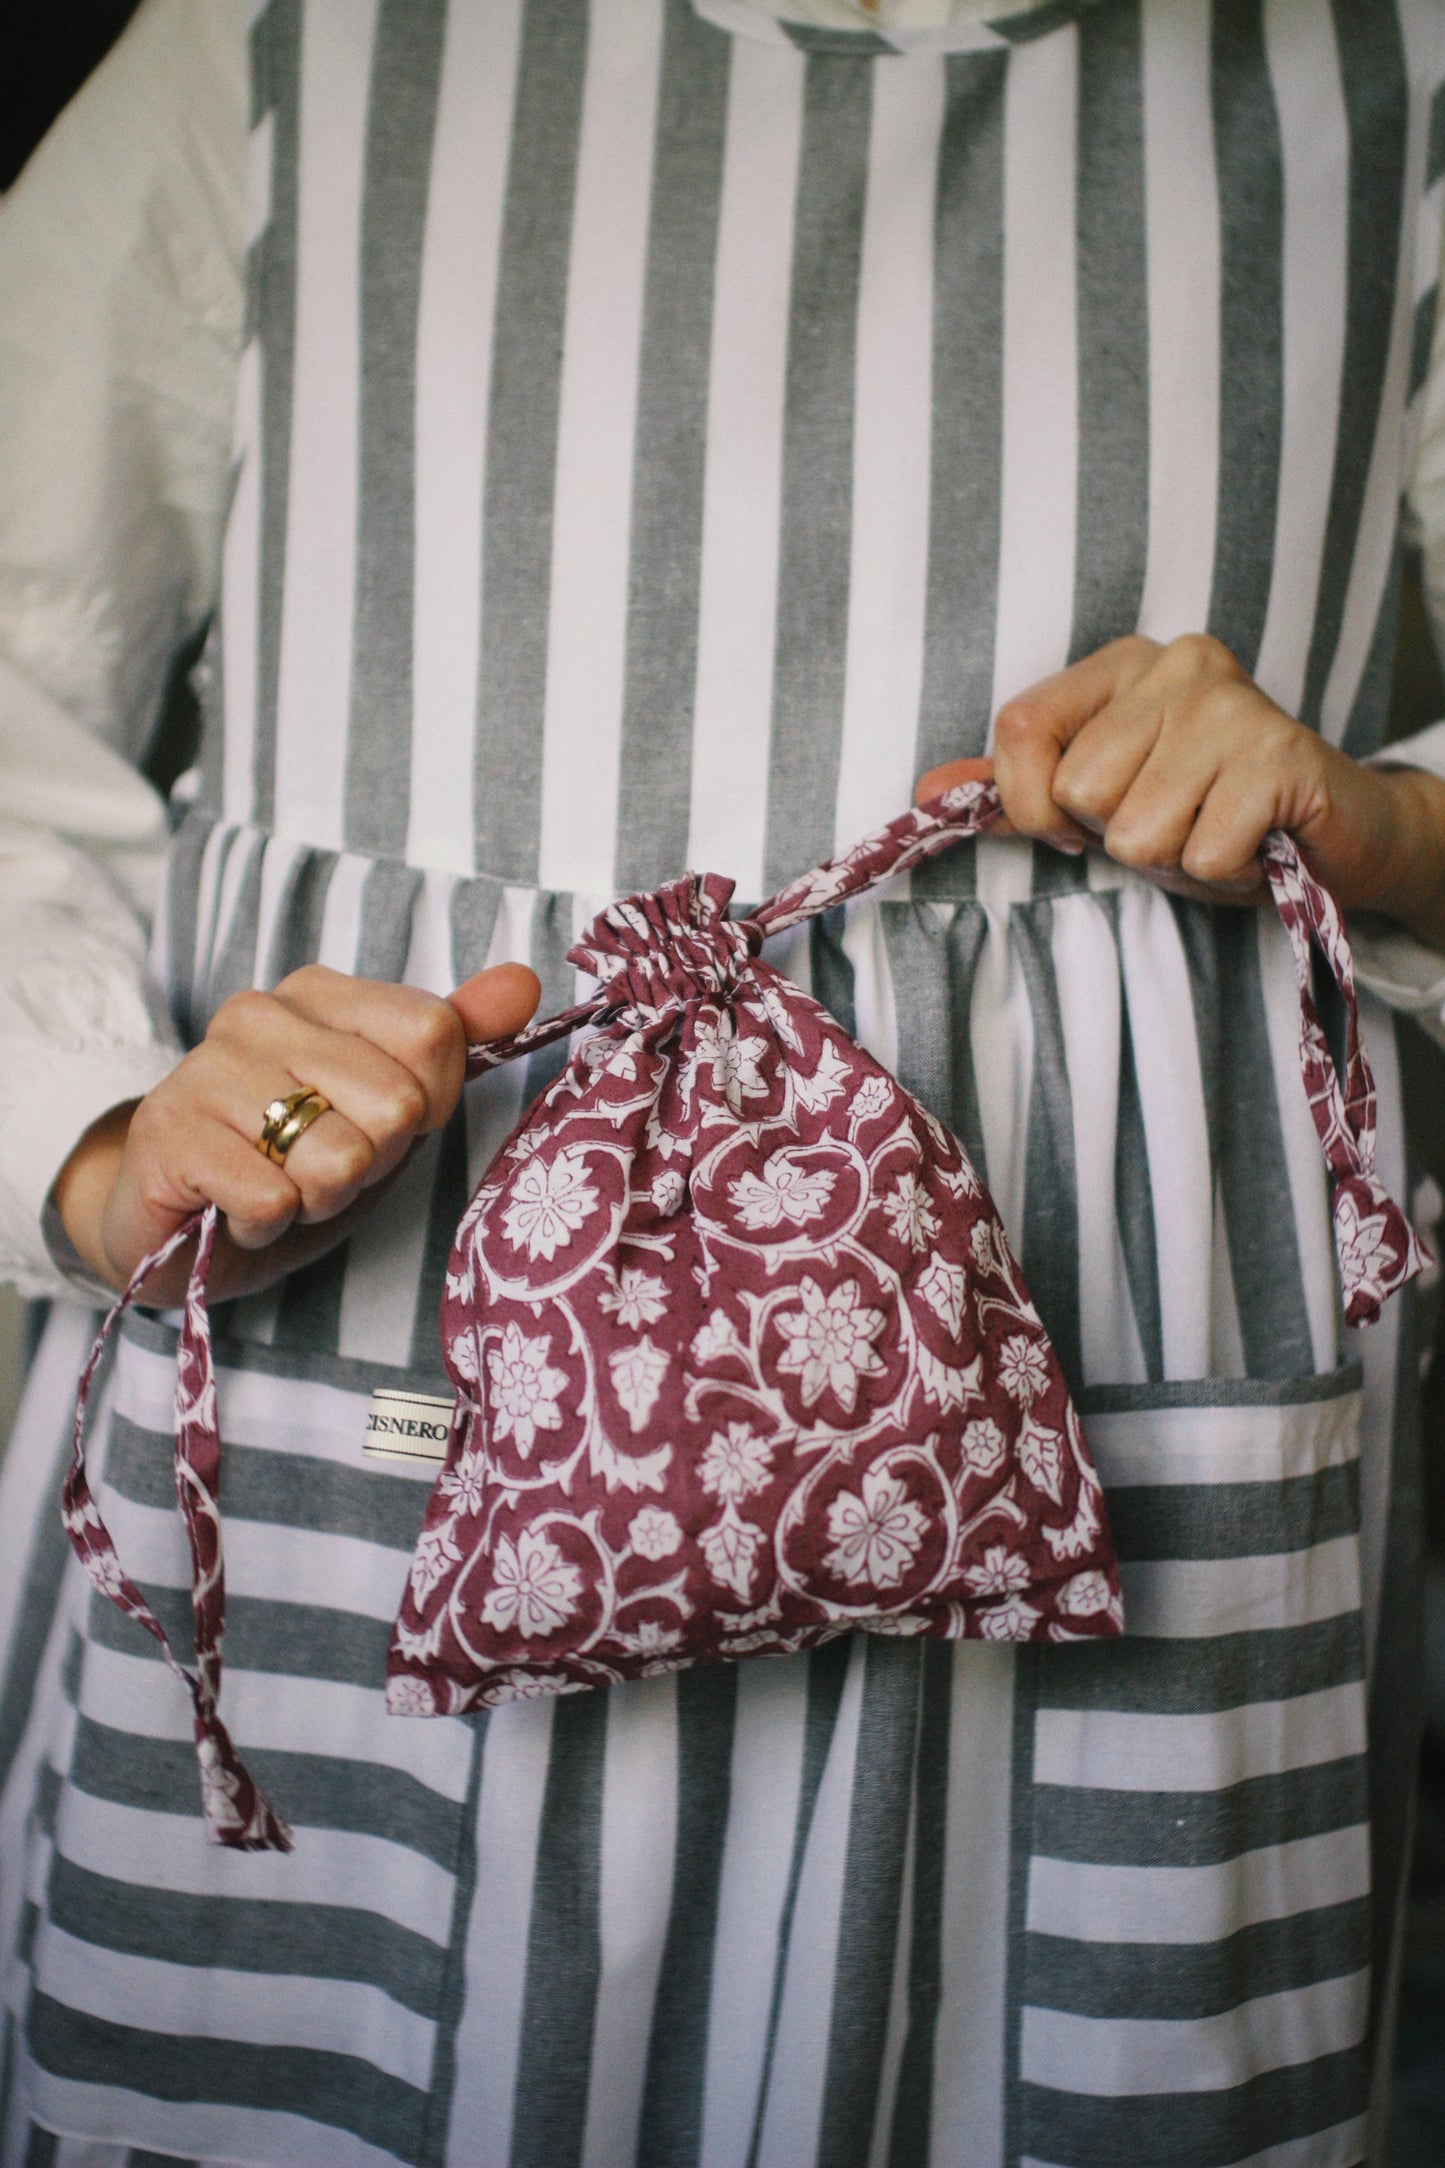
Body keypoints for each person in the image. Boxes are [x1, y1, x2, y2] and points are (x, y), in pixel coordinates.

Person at [2, 0, 1445, 2160]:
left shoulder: (1397, 71)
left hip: (1133, 1333)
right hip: (373, 1295)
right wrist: (107, 1138)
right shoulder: (291, 37)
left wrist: (1378, 823)